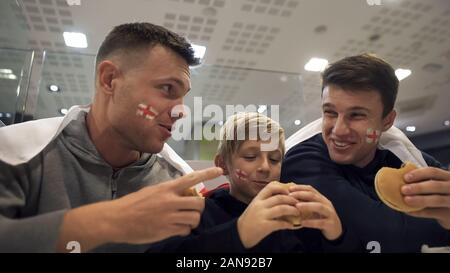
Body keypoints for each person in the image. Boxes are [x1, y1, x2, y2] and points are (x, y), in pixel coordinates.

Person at [0, 22, 223, 253]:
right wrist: (114, 220)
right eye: (167, 89)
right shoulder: (15, 151)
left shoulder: (180, 180)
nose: (181, 111)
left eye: (183, 97)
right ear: (109, 80)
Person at [281, 53, 450, 252]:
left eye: (357, 115)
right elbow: (386, 231)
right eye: (330, 112)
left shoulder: (406, 158)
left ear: (387, 121)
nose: (338, 130)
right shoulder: (303, 160)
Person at [147, 112, 355, 252]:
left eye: (274, 159)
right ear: (223, 164)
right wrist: (237, 234)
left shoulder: (299, 217)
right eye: (250, 157)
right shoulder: (195, 215)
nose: (265, 167)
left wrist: (337, 236)